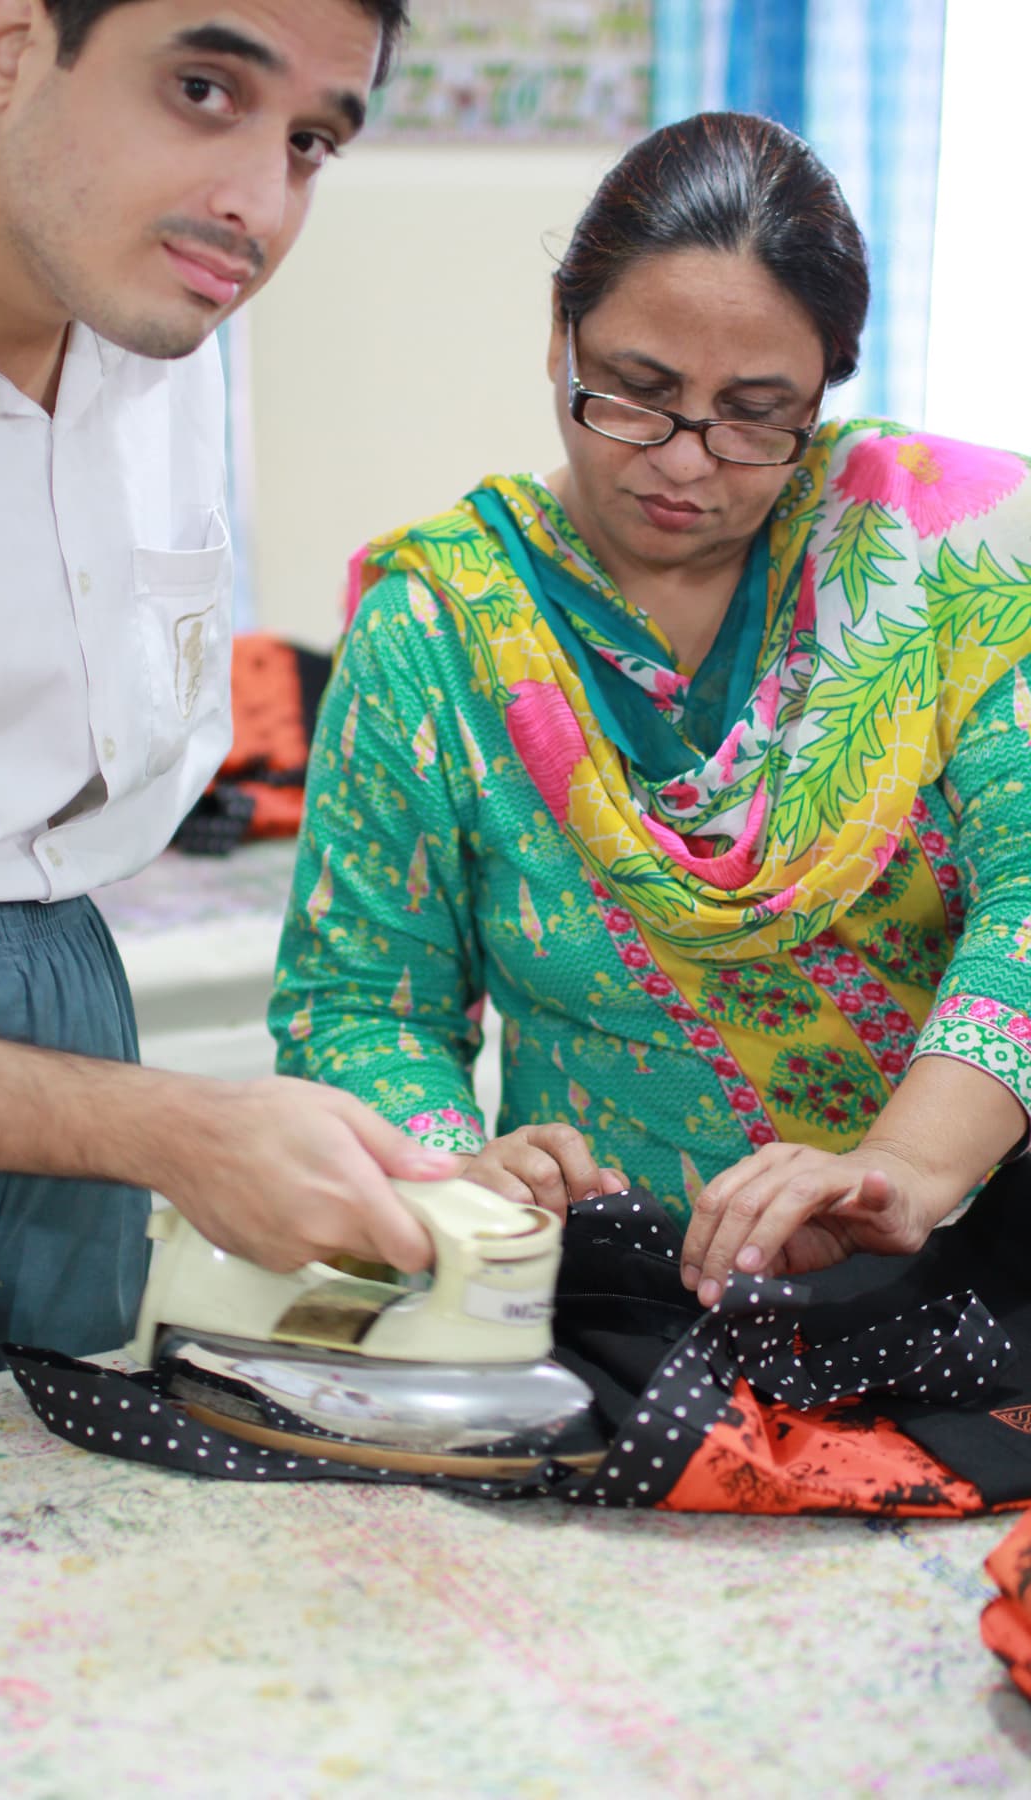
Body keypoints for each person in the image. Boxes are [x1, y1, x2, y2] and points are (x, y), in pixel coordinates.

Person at [269, 110, 1031, 1316]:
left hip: (964, 1281)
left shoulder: (937, 566)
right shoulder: (442, 628)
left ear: (826, 391)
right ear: (560, 336)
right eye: (636, 391)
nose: (684, 461)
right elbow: (362, 1002)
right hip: (607, 1304)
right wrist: (455, 1167)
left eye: (754, 413)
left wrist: (904, 1164)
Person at [0, 0, 459, 1403]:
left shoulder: (151, 305)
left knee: (21, 1565)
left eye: (309, 141)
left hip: (67, 1028)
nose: (256, 203)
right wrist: (166, 1127)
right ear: (3, 49)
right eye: (199, 88)